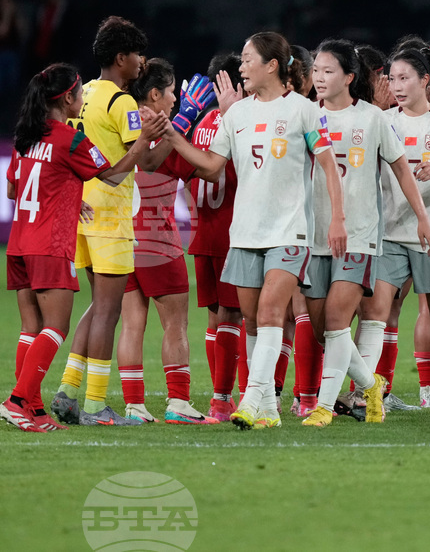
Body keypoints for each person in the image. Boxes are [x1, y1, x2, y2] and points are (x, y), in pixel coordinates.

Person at [162, 31, 347, 429]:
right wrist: (175, 136)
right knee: (250, 320)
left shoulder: (304, 111)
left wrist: (336, 219)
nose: (241, 67)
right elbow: (211, 165)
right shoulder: (237, 115)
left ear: (272, 65)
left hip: (289, 233)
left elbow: (329, 164)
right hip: (244, 235)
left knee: (268, 314)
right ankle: (267, 410)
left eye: (247, 60)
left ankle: (250, 400)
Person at [1, 64, 166, 432]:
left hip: (18, 244)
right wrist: (142, 141)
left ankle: (32, 407)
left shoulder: (26, 136)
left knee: (31, 328)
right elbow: (114, 174)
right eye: (79, 94)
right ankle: (16, 401)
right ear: (67, 99)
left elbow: (15, 190)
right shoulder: (69, 139)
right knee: (56, 328)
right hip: (49, 244)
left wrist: (67, 198)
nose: (82, 100)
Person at [300, 38, 430, 427]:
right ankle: (370, 384)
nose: (320, 78)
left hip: (359, 234)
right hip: (313, 236)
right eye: (316, 71)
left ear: (349, 77)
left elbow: (401, 170)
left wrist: (422, 217)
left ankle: (324, 407)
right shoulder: (307, 115)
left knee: (337, 322)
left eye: (328, 71)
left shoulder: (373, 119)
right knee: (323, 329)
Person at [52, 16, 164, 426]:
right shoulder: (122, 103)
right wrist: (162, 132)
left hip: (78, 212)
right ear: (121, 57)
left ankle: (67, 389)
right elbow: (140, 163)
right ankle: (96, 405)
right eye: (136, 55)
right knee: (108, 312)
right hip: (110, 216)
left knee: (97, 307)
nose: (141, 62)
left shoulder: (82, 94)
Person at [364, 46, 430, 419]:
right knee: (375, 313)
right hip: (389, 233)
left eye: (405, 77)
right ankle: (366, 394)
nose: (397, 86)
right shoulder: (382, 120)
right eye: (392, 79)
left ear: (426, 79)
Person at [113, 58, 217, 424]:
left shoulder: (120, 125)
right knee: (175, 325)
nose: (176, 97)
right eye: (172, 91)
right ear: (155, 94)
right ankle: (178, 403)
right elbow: (207, 169)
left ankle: (134, 406)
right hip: (159, 240)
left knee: (131, 325)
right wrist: (186, 123)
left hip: (122, 239)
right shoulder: (163, 134)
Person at [188, 53, 245, 421]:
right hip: (232, 233)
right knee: (236, 316)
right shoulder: (239, 121)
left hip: (203, 231)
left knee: (215, 318)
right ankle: (225, 400)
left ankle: (221, 397)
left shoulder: (201, 123)